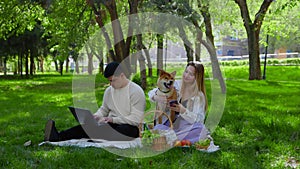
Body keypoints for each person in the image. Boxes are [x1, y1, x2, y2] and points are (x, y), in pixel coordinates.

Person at [44, 61, 146, 142]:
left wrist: (112, 120)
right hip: (110, 124)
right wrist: (96, 116)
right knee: (89, 127)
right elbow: (104, 109)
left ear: (122, 76)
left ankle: (96, 135)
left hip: (129, 127)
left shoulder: (136, 91)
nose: (111, 84)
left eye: (112, 80)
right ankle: (57, 136)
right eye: (109, 81)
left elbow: (135, 119)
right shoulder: (109, 91)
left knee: (124, 131)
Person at [148, 61, 209, 144]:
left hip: (185, 127)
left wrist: (183, 110)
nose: (186, 76)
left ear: (197, 78)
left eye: (191, 74)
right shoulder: (176, 84)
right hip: (168, 125)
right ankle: (175, 139)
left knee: (201, 129)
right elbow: (151, 93)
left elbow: (199, 119)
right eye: (186, 72)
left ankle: (169, 139)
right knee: (159, 127)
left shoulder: (199, 96)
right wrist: (157, 97)